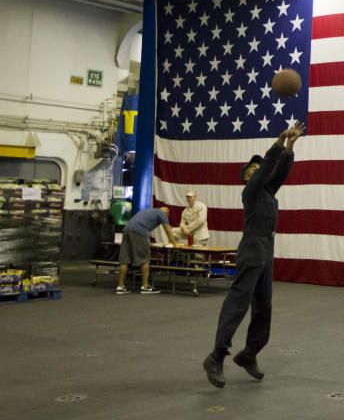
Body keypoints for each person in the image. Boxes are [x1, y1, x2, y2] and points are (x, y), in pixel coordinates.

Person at [203, 121, 305, 388]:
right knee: (238, 301)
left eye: (259, 166)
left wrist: (290, 147)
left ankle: (249, 354)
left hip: (266, 248)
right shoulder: (250, 191)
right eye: (252, 168)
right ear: (246, 177)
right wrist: (278, 141)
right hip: (251, 247)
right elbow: (265, 172)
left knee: (264, 306)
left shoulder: (269, 193)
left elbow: (279, 172)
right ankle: (216, 356)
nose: (258, 169)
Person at [116, 206, 178, 295]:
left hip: (127, 230)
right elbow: (168, 230)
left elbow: (142, 225)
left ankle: (120, 287)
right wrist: (175, 244)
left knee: (124, 260)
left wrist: (147, 242)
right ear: (167, 213)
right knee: (145, 259)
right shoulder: (162, 213)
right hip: (139, 231)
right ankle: (145, 286)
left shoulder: (149, 211)